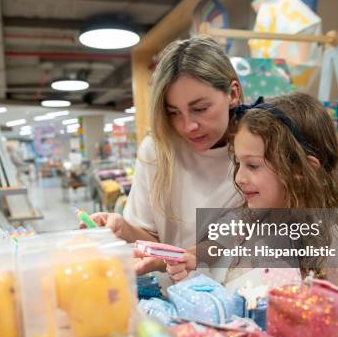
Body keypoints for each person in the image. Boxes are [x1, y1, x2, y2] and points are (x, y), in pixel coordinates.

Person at [166, 92, 338, 337]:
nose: (239, 177)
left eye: (253, 165)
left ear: (302, 170)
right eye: (238, 163)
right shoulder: (247, 230)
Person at [83, 36, 244, 274]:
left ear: (232, 94)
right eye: (173, 112)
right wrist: (121, 228)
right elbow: (147, 236)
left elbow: (243, 237)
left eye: (200, 109)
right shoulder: (157, 150)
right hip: (172, 297)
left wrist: (176, 258)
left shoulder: (256, 153)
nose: (188, 126)